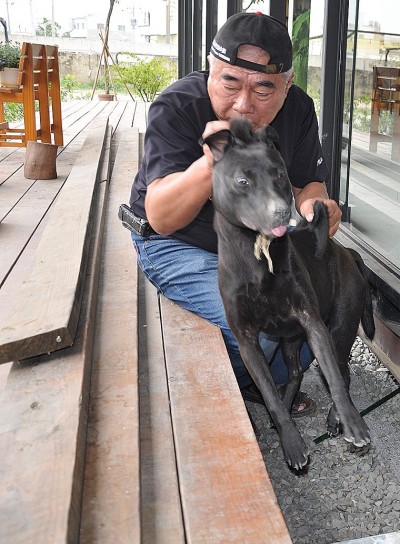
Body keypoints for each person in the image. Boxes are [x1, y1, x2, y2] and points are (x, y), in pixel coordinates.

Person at [127, 11, 342, 416]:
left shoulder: (298, 109)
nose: (243, 104)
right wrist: (213, 161)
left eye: (263, 90)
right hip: (179, 245)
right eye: (229, 82)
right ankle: (249, 383)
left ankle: (260, 379)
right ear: (210, 71)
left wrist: (317, 208)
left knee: (320, 307)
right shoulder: (177, 105)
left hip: (259, 243)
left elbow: (307, 185)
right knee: (262, 329)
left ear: (287, 86)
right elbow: (160, 216)